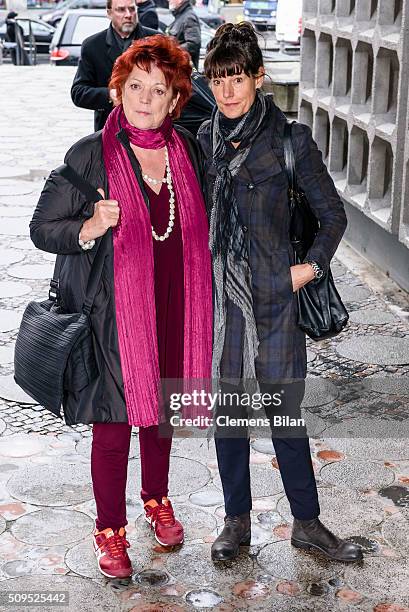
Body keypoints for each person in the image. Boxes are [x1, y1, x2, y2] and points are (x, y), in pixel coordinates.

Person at [30, 34, 212, 579]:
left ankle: (156, 498)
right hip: (113, 319)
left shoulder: (187, 151)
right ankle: (109, 530)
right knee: (112, 428)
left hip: (175, 310)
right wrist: (89, 225)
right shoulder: (90, 155)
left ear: (175, 99)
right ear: (117, 90)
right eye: (135, 86)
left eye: (158, 90)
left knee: (160, 422)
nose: (145, 99)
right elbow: (42, 227)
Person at [198, 23, 363, 564]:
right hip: (224, 307)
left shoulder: (290, 139)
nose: (226, 91)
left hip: (276, 305)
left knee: (285, 419)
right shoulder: (204, 142)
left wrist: (308, 269)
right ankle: (235, 522)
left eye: (236, 77)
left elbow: (332, 216)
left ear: (258, 77)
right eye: (217, 79)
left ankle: (307, 523)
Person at [71, 0, 157, 132]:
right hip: (111, 130)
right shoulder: (92, 45)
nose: (128, 15)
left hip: (151, 129)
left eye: (132, 9)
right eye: (121, 10)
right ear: (109, 13)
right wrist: (109, 95)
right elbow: (78, 92)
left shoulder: (156, 41)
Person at [167, 0, 201, 69]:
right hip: (179, 67)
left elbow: (193, 44)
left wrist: (171, 51)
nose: (168, 1)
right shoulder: (181, 16)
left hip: (184, 69)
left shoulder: (188, 17)